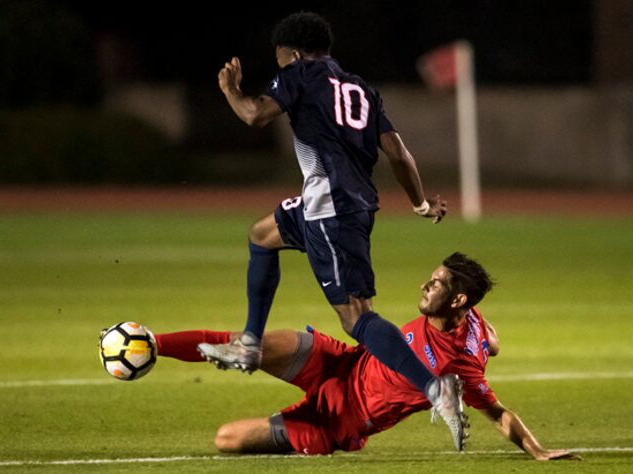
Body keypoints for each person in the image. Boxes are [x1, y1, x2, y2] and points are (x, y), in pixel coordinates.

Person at [196, 10, 461, 448]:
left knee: (356, 316)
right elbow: (398, 153)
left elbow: (254, 116)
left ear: (296, 54)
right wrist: (419, 202)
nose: (283, 71)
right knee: (262, 235)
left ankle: (435, 389)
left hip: (331, 209)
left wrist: (230, 90)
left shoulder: (300, 73)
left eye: (283, 63)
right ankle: (249, 343)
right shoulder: (360, 87)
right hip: (339, 202)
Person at [156, 253, 577, 459]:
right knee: (248, 342)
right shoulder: (473, 321)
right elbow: (489, 340)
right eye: (430, 279)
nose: (425, 287)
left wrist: (538, 451)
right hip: (338, 362)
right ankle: (153, 343)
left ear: (458, 299)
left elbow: (496, 411)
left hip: (341, 419)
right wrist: (490, 342)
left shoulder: (457, 367)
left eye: (436, 284)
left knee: (225, 439)